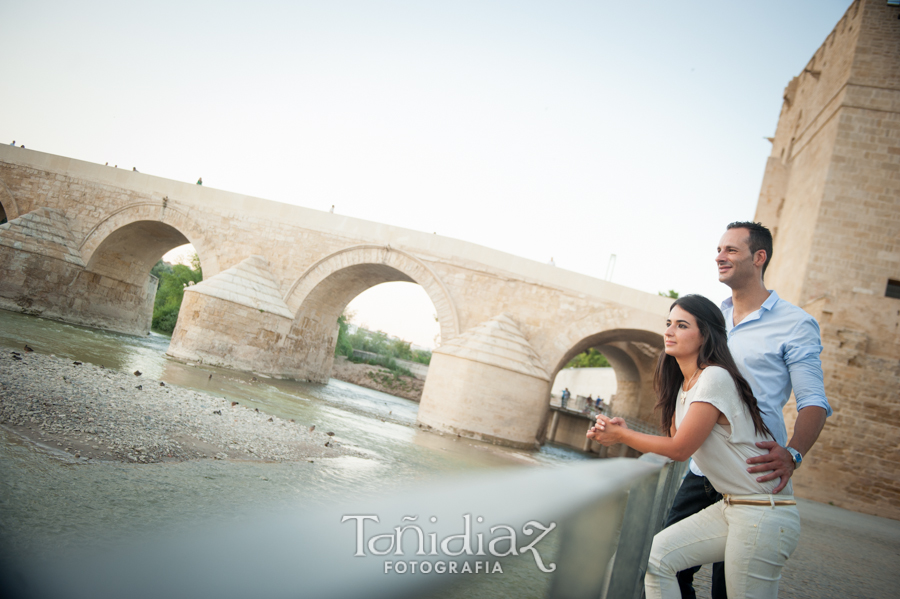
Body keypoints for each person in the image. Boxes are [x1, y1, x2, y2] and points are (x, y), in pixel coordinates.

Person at [588, 295, 802, 598]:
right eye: (668, 324)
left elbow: (679, 449)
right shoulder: (687, 383)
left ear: (705, 335)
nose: (669, 331)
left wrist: (621, 436)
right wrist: (626, 429)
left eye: (682, 325)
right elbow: (674, 439)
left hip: (763, 514)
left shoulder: (714, 377)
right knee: (657, 559)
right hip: (734, 507)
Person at [663, 221, 831, 598]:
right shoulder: (709, 319)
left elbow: (813, 402)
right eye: (719, 250)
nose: (720, 257)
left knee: (730, 590)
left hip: (752, 473)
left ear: (759, 258)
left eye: (731, 250)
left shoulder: (796, 324)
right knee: (666, 568)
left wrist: (793, 454)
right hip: (701, 472)